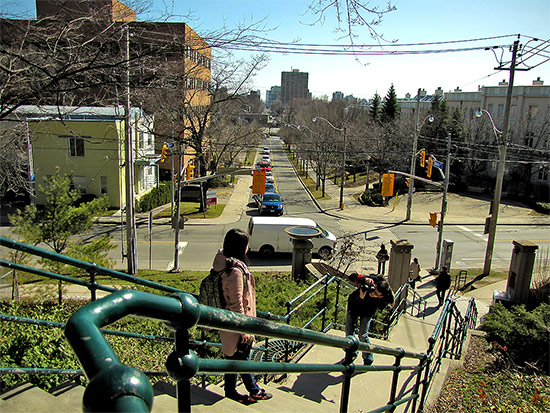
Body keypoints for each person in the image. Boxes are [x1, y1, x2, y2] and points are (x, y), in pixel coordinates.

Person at [212, 228, 273, 404]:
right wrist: (243, 330)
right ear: (240, 247)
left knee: (234, 359)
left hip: (228, 323)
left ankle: (231, 391)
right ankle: (254, 391)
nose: (248, 248)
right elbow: (236, 304)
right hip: (236, 324)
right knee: (242, 358)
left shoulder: (223, 262)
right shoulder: (234, 271)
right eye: (246, 245)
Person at [345, 272, 395, 365]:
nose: (372, 293)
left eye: (376, 294)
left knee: (363, 335)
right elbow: (352, 277)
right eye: (373, 290)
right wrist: (364, 279)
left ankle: (368, 358)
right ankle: (351, 353)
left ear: (381, 296)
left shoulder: (382, 301)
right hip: (354, 305)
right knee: (349, 332)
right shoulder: (371, 282)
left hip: (367, 312)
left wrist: (362, 298)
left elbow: (387, 304)